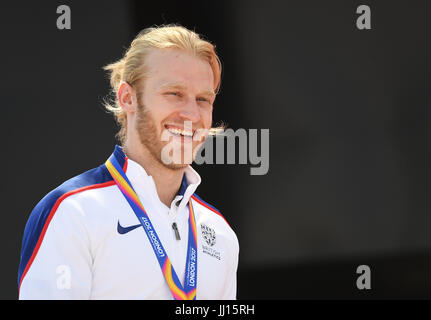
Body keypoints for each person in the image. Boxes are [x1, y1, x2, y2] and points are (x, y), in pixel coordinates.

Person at [18, 25, 239, 300]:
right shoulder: (73, 213)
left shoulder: (220, 232)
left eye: (203, 99)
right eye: (174, 93)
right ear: (127, 98)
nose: (191, 114)